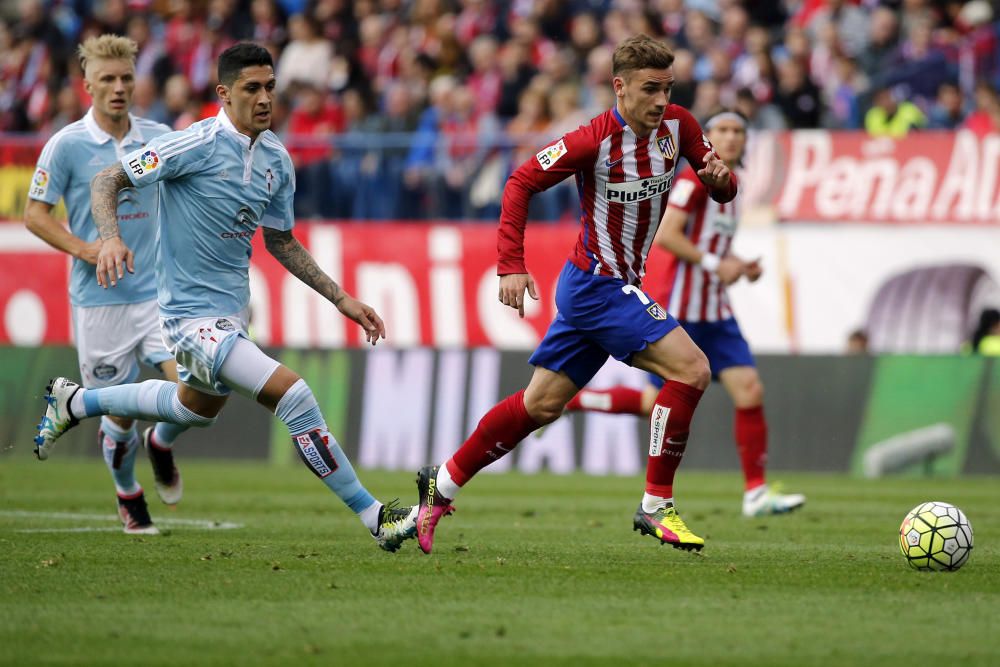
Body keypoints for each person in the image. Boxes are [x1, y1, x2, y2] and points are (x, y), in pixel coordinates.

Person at [33, 42, 417, 552]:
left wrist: (340, 297)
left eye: (271, 88)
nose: (264, 99)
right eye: (251, 88)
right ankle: (376, 518)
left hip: (231, 313)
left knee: (193, 409)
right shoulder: (189, 145)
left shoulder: (278, 159)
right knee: (294, 395)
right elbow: (109, 180)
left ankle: (76, 401)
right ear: (224, 93)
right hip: (186, 319)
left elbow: (280, 240)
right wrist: (110, 238)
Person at [415, 35, 737, 554]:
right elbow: (519, 181)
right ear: (620, 87)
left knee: (540, 405)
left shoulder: (681, 126)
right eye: (650, 89)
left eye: (667, 88)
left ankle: (441, 485)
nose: (660, 100)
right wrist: (510, 266)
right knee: (692, 369)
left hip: (608, 286)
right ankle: (656, 506)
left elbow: (717, 185)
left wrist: (723, 182)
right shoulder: (592, 140)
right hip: (597, 286)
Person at [562, 110, 806, 518]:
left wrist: (737, 265)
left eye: (738, 132)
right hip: (686, 307)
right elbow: (669, 235)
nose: (730, 138)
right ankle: (574, 402)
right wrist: (716, 265)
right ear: (707, 137)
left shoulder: (732, 186)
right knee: (655, 402)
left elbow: (711, 245)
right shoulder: (694, 180)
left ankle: (756, 493)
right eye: (722, 131)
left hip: (717, 309)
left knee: (750, 390)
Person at [25, 34, 186, 535]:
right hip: (100, 302)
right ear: (87, 85)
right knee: (117, 420)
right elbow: (34, 215)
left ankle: (161, 442)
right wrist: (87, 248)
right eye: (107, 80)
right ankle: (128, 493)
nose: (118, 88)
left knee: (196, 392)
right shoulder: (67, 144)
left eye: (125, 79)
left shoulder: (158, 136)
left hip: (160, 294)